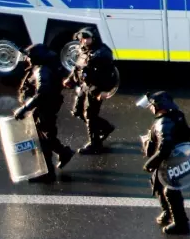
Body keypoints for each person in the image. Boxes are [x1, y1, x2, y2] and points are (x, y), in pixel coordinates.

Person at [12, 44, 74, 182]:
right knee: (47, 136)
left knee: (42, 140)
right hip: (46, 107)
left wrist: (25, 108)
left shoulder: (42, 70)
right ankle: (64, 153)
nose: (27, 59)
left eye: (29, 57)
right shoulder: (44, 67)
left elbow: (42, 92)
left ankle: (48, 173)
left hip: (44, 108)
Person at [139, 91, 190, 234]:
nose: (150, 108)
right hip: (174, 158)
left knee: (170, 191)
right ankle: (168, 212)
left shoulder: (164, 123)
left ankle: (181, 223)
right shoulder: (176, 116)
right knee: (157, 184)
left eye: (152, 105)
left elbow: (164, 148)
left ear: (159, 106)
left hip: (169, 162)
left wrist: (150, 163)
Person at [64, 27, 118, 153]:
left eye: (86, 38)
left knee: (90, 115)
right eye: (81, 39)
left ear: (93, 38)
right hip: (85, 86)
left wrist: (102, 91)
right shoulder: (84, 49)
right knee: (77, 111)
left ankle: (95, 144)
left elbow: (107, 75)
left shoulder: (102, 54)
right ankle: (105, 127)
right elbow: (78, 67)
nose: (83, 41)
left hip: (95, 88)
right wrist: (70, 79)